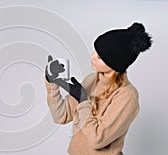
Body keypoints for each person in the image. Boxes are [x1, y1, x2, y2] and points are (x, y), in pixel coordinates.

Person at [44, 22, 152, 154]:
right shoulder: (91, 81)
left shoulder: (127, 95)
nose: (92, 56)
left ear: (114, 63)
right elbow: (60, 116)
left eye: (100, 56)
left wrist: (83, 101)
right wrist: (52, 83)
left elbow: (97, 139)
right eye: (95, 52)